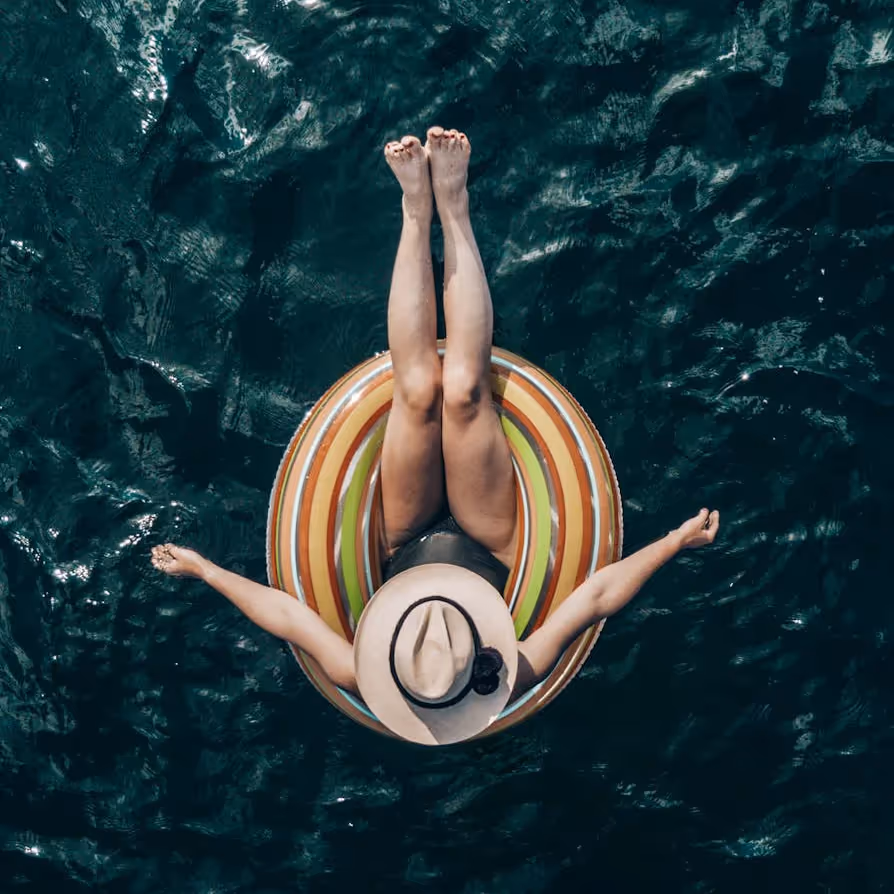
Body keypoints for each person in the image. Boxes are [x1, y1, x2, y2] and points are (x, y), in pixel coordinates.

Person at [152, 127, 720, 745]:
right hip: (495, 544)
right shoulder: (513, 671)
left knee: (419, 389)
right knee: (466, 391)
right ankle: (455, 205)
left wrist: (207, 571)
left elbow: (288, 617)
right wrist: (674, 542)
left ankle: (415, 210)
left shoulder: (359, 673)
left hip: (400, 542)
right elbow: (595, 596)